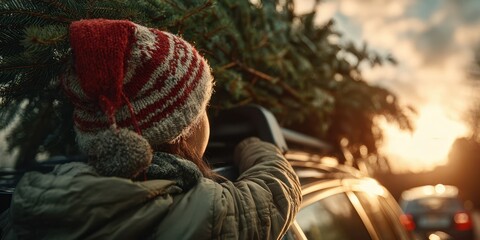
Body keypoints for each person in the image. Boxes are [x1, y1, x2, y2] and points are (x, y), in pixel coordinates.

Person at [0, 19, 302, 239]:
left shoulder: (28, 206)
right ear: (183, 132)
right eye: (201, 110)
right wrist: (255, 145)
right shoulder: (196, 211)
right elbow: (276, 192)